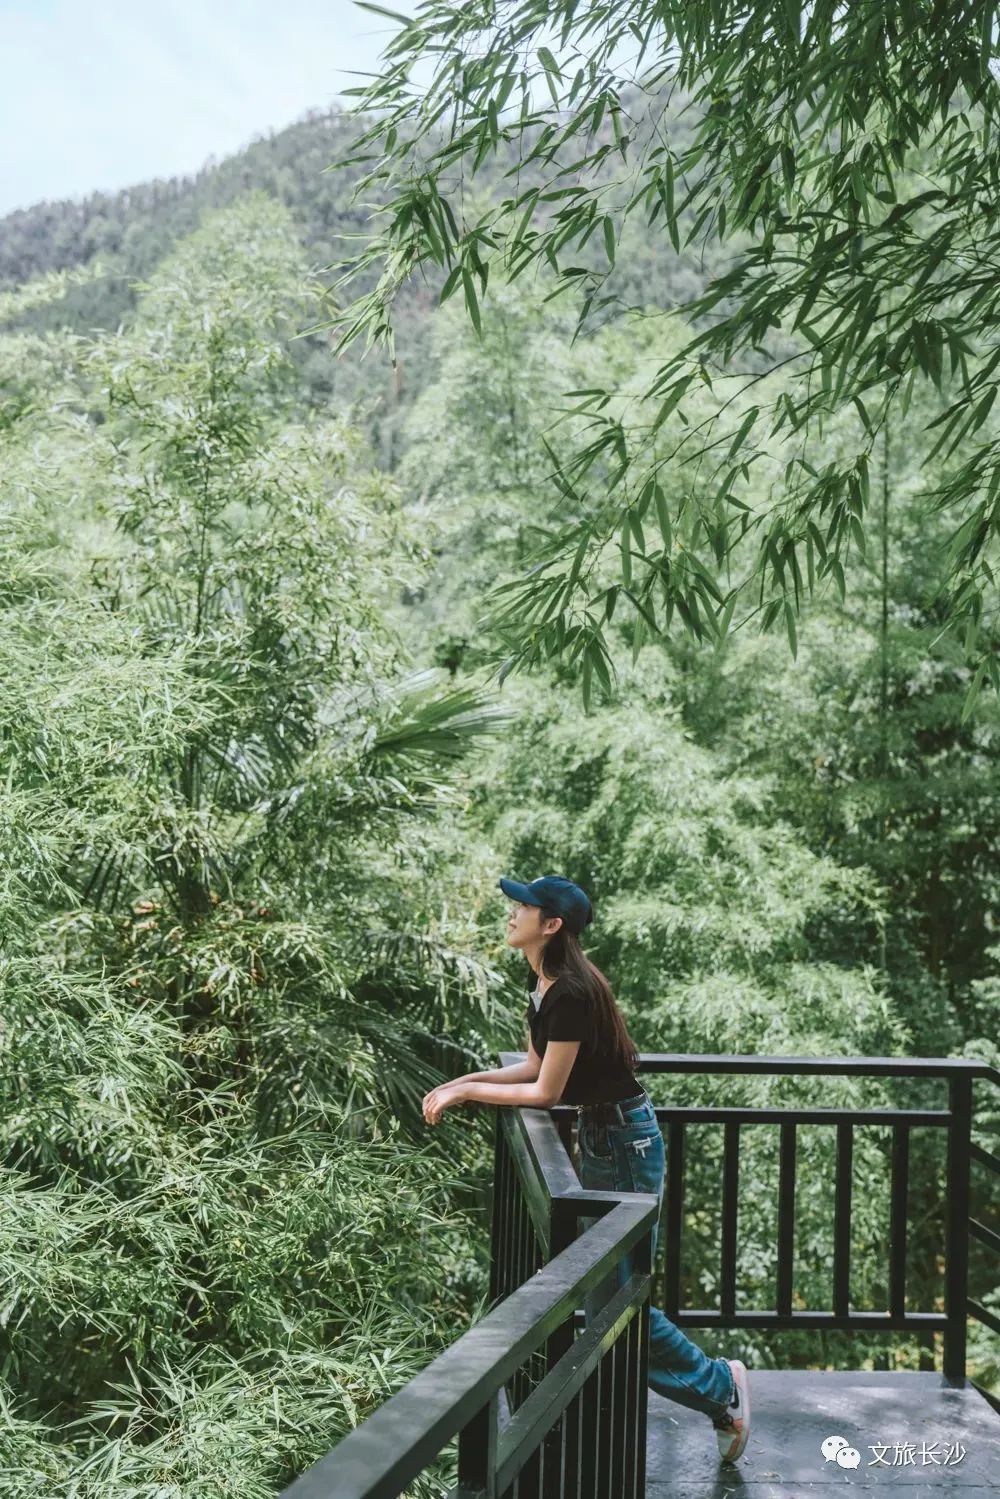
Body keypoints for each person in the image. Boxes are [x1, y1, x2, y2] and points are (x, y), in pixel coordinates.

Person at [422, 872, 752, 1465]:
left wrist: (469, 1095)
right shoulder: (542, 980)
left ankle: (720, 1388)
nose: (512, 913)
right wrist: (464, 1082)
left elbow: (546, 1092)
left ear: (551, 925)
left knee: (618, 1299)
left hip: (625, 1140)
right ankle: (716, 1387)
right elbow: (530, 1067)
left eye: (522, 907)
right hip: (605, 1135)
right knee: (609, 1296)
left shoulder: (571, 991)